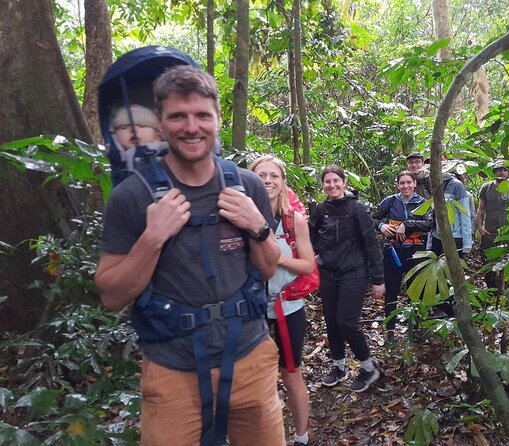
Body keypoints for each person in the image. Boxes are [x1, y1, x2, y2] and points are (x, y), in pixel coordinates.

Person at [95, 65, 286, 445]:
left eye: (202, 115)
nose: (191, 126)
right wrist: (153, 237)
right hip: (172, 368)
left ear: (217, 120)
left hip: (249, 357)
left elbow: (266, 269)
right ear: (162, 125)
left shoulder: (246, 185)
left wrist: (257, 226)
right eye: (178, 116)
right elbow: (111, 295)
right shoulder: (132, 196)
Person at [250, 155, 312, 446]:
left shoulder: (294, 220)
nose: (268, 181)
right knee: (256, 378)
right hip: (252, 310)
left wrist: (278, 257)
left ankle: (302, 436)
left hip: (288, 308)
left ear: (283, 182)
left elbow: (309, 265)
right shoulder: (242, 219)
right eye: (261, 175)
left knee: (291, 374)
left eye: (274, 176)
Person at [309, 165, 385, 393]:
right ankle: (338, 366)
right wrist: (313, 255)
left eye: (336, 181)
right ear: (323, 185)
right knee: (331, 320)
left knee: (346, 321)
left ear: (344, 182)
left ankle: (368, 367)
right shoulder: (320, 209)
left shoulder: (356, 209)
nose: (331, 185)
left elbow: (371, 244)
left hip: (354, 273)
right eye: (327, 182)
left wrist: (378, 279)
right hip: (328, 273)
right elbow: (312, 235)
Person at [372, 171, 432, 343]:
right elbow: (372, 219)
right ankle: (390, 329)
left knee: (416, 289)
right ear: (397, 185)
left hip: (416, 250)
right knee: (392, 290)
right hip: (393, 250)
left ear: (414, 184)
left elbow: (429, 223)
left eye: (409, 183)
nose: (405, 186)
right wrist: (382, 226)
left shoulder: (422, 203)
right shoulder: (390, 202)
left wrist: (407, 224)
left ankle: (417, 327)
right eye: (402, 183)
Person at [477, 158, 509, 291]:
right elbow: (481, 209)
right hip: (490, 232)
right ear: (494, 171)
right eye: (499, 169)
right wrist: (480, 227)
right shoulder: (486, 187)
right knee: (488, 264)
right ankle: (491, 291)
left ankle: (507, 291)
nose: (502, 172)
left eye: (505, 170)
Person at [427, 169, 472, 258]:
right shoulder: (432, 182)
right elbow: (433, 214)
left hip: (454, 235)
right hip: (437, 236)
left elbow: (465, 214)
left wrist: (467, 243)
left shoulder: (457, 185)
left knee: (452, 269)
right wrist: (429, 243)